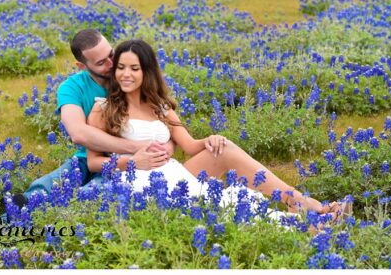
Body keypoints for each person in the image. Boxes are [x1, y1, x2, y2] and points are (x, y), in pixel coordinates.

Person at [85, 39, 344, 215]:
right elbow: (93, 162)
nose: (125, 74)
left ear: (147, 72)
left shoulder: (161, 106)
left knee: (225, 149)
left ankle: (302, 204)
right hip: (134, 183)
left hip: (174, 174)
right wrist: (131, 162)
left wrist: (211, 139)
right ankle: (309, 219)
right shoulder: (104, 108)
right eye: (120, 68)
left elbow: (188, 145)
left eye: (134, 68)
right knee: (219, 211)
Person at [24, 29, 173, 199]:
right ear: (82, 66)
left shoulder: (129, 77)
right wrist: (138, 145)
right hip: (87, 158)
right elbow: (78, 133)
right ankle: (3, 216)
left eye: (112, 54)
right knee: (45, 187)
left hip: (128, 161)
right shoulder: (71, 87)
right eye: (102, 62)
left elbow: (166, 123)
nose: (111, 64)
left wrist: (161, 149)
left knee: (91, 195)